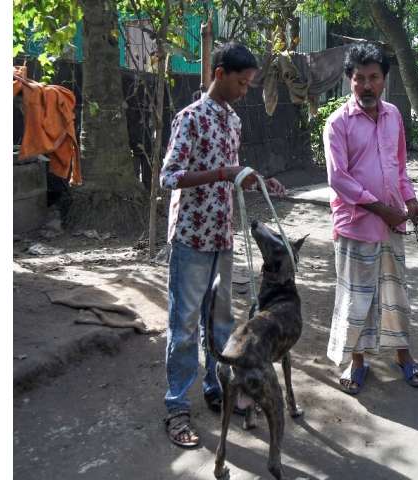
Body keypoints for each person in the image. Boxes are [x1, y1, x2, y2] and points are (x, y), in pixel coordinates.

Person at [159, 41, 285, 449]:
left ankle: (216, 390)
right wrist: (223, 173)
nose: (245, 91)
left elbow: (232, 172)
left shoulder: (232, 120)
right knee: (182, 326)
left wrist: (258, 179)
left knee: (220, 325)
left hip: (222, 235)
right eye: (242, 83)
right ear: (220, 74)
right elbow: (169, 177)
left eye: (249, 84)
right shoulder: (189, 118)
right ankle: (177, 406)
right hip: (191, 237)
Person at [324, 42, 418, 395]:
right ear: (349, 81)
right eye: (359, 79)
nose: (366, 86)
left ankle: (404, 356)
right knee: (357, 296)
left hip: (392, 224)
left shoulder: (394, 116)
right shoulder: (337, 124)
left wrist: (411, 201)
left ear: (384, 79)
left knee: (394, 292)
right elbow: (339, 178)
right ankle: (357, 363)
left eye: (373, 78)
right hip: (356, 225)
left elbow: (400, 168)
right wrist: (378, 207)